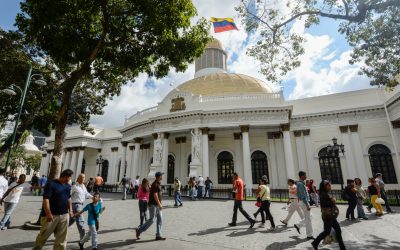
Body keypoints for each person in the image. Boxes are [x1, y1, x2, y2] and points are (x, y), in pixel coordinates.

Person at [33, 169, 74, 250]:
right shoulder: (51, 184)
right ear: (66, 176)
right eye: (70, 177)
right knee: (43, 236)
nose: (70, 179)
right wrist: (48, 213)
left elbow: (69, 198)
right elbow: (46, 199)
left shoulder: (68, 186)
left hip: (64, 215)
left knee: (62, 238)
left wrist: (71, 210)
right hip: (51, 216)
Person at [311, 180, 346, 250]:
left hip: (330, 215)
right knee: (327, 232)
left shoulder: (325, 193)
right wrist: (333, 201)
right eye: (328, 185)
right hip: (328, 216)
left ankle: (342, 247)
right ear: (324, 186)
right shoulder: (323, 194)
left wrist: (331, 200)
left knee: (337, 230)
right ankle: (315, 242)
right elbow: (325, 204)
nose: (330, 186)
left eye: (330, 184)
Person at [135, 172, 166, 241]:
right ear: (158, 177)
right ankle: (139, 230)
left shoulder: (158, 184)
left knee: (160, 219)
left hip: (157, 205)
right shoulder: (155, 184)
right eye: (161, 176)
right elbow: (155, 195)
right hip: (153, 205)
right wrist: (159, 204)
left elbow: (159, 194)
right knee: (152, 220)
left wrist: (160, 203)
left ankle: (158, 235)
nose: (162, 177)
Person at [69, 174, 93, 241]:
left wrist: (93, 197)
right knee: (80, 221)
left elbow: (86, 194)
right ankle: (83, 238)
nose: (83, 179)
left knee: (71, 220)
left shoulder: (83, 186)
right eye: (81, 177)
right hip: (76, 205)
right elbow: (68, 195)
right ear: (78, 178)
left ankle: (60, 231)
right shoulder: (74, 186)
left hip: (80, 205)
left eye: (84, 177)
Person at [294, 171, 314, 240]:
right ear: (301, 176)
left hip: (303, 202)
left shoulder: (301, 183)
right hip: (304, 202)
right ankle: (309, 235)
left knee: (310, 217)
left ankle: (298, 225)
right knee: (308, 219)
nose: (306, 176)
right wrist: (307, 204)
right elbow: (303, 195)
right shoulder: (300, 184)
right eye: (305, 175)